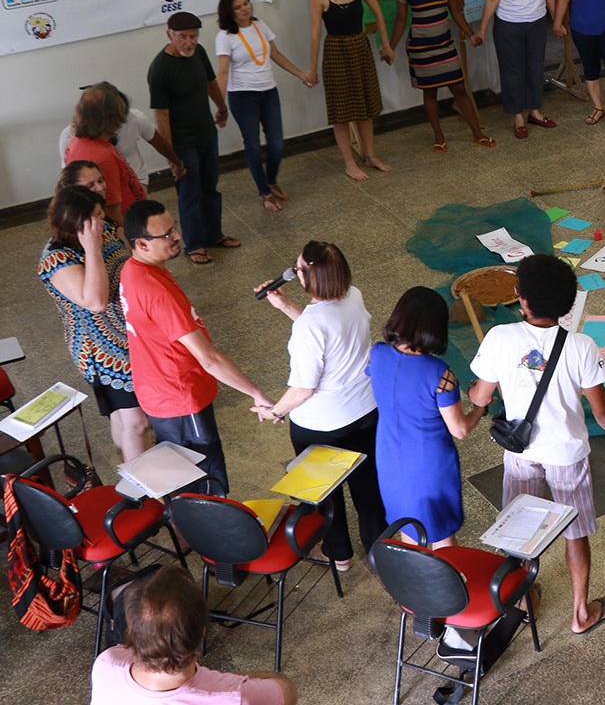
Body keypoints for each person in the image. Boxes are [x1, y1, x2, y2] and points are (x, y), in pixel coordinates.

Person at [468, 255, 605, 635]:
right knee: (575, 531)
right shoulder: (582, 346)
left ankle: (523, 598)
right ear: (568, 306)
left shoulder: (499, 338)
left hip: (520, 452)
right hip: (567, 454)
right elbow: (602, 413)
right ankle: (580, 613)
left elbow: (481, 396)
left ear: (522, 302)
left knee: (519, 529)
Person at [118, 200, 273, 494]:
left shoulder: (132, 269)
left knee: (182, 471)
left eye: (174, 228)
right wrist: (256, 393)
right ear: (141, 243)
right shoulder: (156, 291)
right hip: (179, 396)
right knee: (206, 477)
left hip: (157, 390)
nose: (177, 236)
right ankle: (215, 533)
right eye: (166, 235)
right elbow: (209, 359)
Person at [253, 242, 385, 571]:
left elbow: (303, 388)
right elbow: (332, 332)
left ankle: (339, 553)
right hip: (366, 410)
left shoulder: (308, 327)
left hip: (323, 423)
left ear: (308, 277)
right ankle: (380, 551)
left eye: (297, 269)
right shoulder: (352, 295)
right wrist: (286, 307)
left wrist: (275, 411)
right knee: (368, 488)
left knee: (325, 491)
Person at [366, 286, 485, 547]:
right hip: (428, 464)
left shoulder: (378, 354)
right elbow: (460, 429)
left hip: (389, 457)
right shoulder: (439, 373)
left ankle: (417, 584)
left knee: (409, 527)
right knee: (441, 532)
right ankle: (447, 586)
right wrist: (480, 409)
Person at [38, 185, 149, 460]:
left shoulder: (105, 229)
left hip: (131, 334)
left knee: (126, 420)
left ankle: (133, 478)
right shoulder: (57, 258)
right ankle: (146, 493)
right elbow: (95, 301)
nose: (104, 220)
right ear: (77, 223)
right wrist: (92, 249)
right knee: (137, 422)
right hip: (103, 349)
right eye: (97, 216)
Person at [91, 564, 298, 705]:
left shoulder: (105, 663)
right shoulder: (233, 697)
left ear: (131, 630)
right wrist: (233, 682)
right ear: (202, 631)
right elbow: (285, 689)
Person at [147, 11, 241, 265]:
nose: (188, 42)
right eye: (182, 37)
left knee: (210, 187)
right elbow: (161, 116)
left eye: (193, 36)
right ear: (170, 35)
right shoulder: (160, 69)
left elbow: (211, 82)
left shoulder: (198, 53)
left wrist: (222, 108)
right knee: (190, 193)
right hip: (183, 143)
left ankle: (214, 234)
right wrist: (171, 156)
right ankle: (195, 244)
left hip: (207, 135)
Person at [391, 0, 494, 151]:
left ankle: (477, 133)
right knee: (430, 92)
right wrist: (390, 48)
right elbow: (401, 21)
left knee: (458, 88)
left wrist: (471, 34)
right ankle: (438, 136)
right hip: (421, 49)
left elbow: (455, 12)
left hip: (445, 45)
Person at [214, 0, 312, 213]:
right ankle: (264, 192)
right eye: (238, 7)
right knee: (253, 145)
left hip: (268, 92)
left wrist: (301, 75)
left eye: (246, 3)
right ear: (229, 12)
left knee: (277, 143)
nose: (244, 9)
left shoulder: (260, 25)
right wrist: (221, 107)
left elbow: (275, 55)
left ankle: (271, 179)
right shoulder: (225, 37)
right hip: (242, 96)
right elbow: (223, 73)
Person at [308, 0, 394, 181]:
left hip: (360, 46)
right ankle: (349, 162)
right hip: (335, 51)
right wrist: (312, 68)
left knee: (365, 106)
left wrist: (385, 45)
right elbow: (315, 33)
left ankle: (370, 155)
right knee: (342, 112)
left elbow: (378, 14)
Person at [483, 0, 558, 139]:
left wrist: (556, 21)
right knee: (513, 72)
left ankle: (535, 111)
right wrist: (482, 29)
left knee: (535, 68)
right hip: (509, 26)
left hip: (536, 23)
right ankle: (517, 117)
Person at [59, 81, 183, 189]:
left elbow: (158, 142)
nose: (120, 124)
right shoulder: (70, 137)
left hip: (135, 180)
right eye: (116, 119)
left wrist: (178, 164)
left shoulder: (134, 118)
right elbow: (69, 177)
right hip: (99, 187)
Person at [63, 84, 147, 224]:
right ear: (113, 117)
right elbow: (112, 216)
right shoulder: (101, 157)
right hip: (127, 227)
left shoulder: (77, 140)